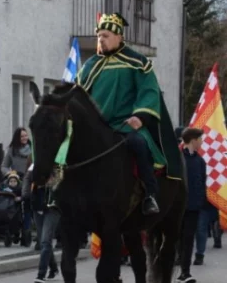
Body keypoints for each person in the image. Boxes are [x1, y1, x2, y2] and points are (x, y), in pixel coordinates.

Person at [77, 13, 182, 215]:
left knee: (139, 145)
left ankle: (150, 194)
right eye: (99, 35)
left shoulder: (137, 62)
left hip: (126, 124)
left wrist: (139, 116)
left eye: (106, 35)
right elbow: (79, 96)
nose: (101, 40)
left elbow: (148, 91)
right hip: (98, 128)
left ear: (119, 37)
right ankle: (57, 196)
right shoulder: (89, 66)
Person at [178, 127, 206, 283]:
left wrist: (200, 200)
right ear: (193, 140)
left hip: (193, 207)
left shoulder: (200, 161)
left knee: (188, 238)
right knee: (176, 238)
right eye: (200, 139)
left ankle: (185, 272)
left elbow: (202, 182)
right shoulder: (177, 157)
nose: (201, 142)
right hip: (177, 207)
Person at [26, 164, 59, 283]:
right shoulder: (35, 164)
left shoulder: (58, 166)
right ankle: (54, 268)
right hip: (37, 206)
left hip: (52, 209)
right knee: (44, 241)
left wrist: (47, 181)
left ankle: (41, 274)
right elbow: (27, 179)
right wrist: (27, 196)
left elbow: (57, 183)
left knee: (45, 241)